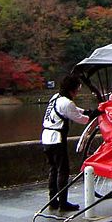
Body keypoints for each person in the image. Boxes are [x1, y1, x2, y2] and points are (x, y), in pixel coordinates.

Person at [41, 75, 99, 212]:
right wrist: (93, 114)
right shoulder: (67, 103)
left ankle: (53, 201)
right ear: (71, 90)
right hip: (56, 139)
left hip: (46, 138)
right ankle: (63, 203)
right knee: (63, 171)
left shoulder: (56, 97)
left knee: (53, 170)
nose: (77, 93)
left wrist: (87, 111)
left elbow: (75, 110)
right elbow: (81, 119)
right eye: (76, 90)